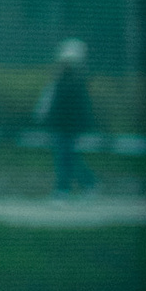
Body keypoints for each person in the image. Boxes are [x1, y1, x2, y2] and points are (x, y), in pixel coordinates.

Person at [39, 38, 95, 196]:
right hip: (60, 126)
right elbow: (51, 104)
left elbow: (81, 108)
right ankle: (87, 183)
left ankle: (64, 189)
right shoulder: (59, 81)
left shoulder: (77, 82)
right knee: (66, 157)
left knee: (66, 157)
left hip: (70, 127)